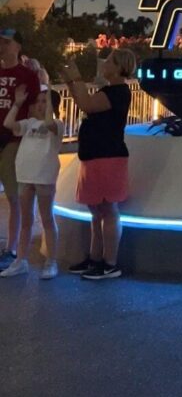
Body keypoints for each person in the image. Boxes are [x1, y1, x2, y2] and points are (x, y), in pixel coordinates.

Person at [62, 47, 136, 279]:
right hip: (94, 155)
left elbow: (87, 105)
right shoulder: (109, 90)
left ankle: (110, 262)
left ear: (119, 67)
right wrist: (72, 83)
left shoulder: (118, 92)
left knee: (108, 208)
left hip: (108, 156)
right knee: (96, 209)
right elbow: (84, 101)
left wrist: (76, 78)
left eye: (110, 61)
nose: (104, 63)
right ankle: (95, 258)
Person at [0, 88, 64, 279]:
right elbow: (8, 123)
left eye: (45, 101)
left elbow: (50, 123)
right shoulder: (29, 124)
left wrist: (49, 105)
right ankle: (20, 260)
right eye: (38, 101)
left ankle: (51, 261)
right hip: (25, 176)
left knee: (46, 219)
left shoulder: (57, 125)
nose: (39, 104)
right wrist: (18, 103)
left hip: (44, 177)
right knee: (26, 220)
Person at [0, 29, 41, 270]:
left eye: (6, 42)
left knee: (14, 197)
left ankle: (11, 248)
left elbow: (37, 106)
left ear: (18, 46)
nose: (2, 47)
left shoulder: (27, 76)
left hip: (13, 142)